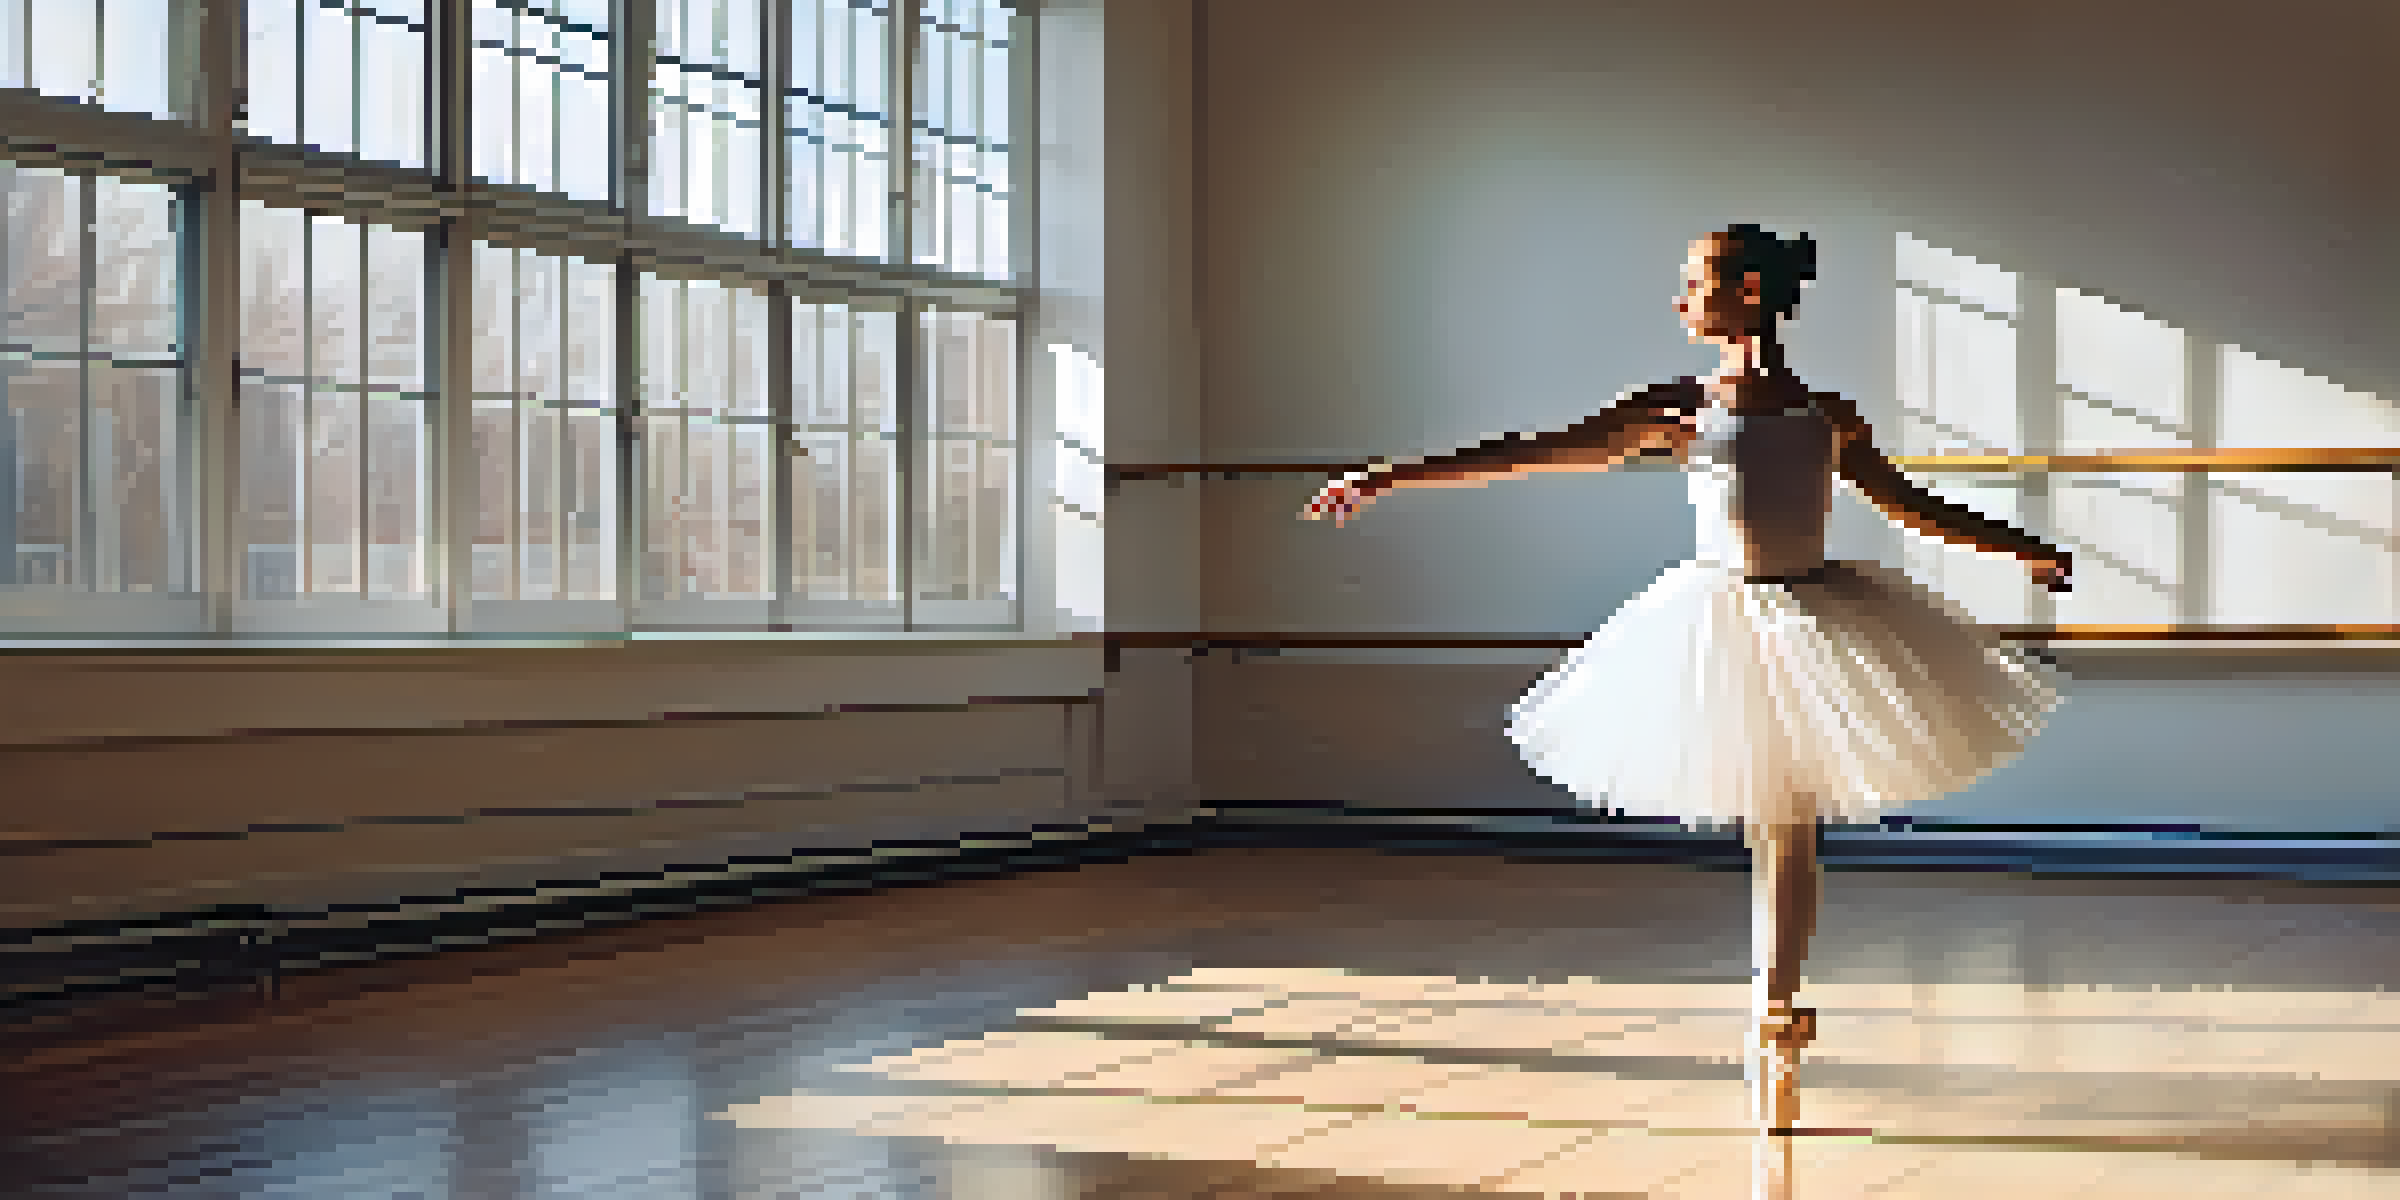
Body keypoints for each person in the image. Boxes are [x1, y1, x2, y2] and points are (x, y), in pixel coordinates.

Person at [1300, 225, 2071, 1134]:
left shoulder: (1828, 416)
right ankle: (1775, 1015)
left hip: (1816, 619)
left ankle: (1777, 1020)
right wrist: (1391, 476)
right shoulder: (1681, 407)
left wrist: (2022, 548)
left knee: (1790, 828)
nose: (1679, 301)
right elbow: (1536, 450)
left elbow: (1912, 505)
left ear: (1746, 290)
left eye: (1693, 283)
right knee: (1773, 825)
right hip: (1720, 623)